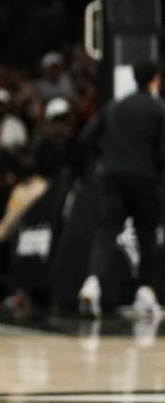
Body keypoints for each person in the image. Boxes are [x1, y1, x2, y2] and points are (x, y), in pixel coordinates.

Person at [78, 60, 165, 319]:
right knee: (146, 234)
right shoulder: (158, 109)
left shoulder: (113, 107)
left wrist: (104, 158)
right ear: (154, 80)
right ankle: (145, 293)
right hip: (143, 177)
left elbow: (85, 138)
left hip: (110, 175)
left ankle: (92, 284)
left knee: (106, 230)